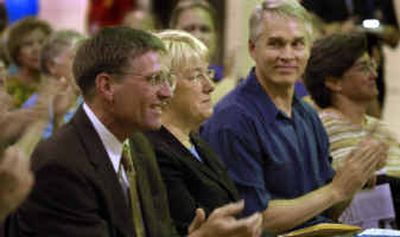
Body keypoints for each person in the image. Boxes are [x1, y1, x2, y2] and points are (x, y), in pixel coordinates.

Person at [8, 26, 262, 237]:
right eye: (154, 80)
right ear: (107, 86)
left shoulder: (138, 145)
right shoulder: (61, 164)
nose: (166, 92)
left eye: (167, 79)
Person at [201, 0, 387, 234]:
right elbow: (252, 222)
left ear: (309, 49)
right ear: (252, 48)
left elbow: (327, 210)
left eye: (297, 44)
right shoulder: (232, 119)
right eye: (276, 44)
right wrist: (336, 190)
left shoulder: (307, 115)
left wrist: (354, 177)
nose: (287, 55)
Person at [144, 30, 254, 235]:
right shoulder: (155, 151)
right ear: (165, 86)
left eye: (209, 73)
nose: (210, 86)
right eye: (196, 76)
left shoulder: (196, 140)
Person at [304, 32, 400, 227]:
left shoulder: (380, 128)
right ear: (333, 82)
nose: (374, 74)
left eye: (373, 65)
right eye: (363, 68)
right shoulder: (319, 127)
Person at [301, 0, 400, 117]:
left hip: (371, 69)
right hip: (331, 71)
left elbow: (394, 37)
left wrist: (377, 29)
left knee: (371, 124)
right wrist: (335, 29)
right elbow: (304, 23)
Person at [39, 30, 86, 138]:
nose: (85, 63)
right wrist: (58, 118)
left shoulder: (92, 98)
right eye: (75, 57)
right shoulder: (37, 107)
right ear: (51, 65)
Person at [4, 17, 52, 108]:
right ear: (17, 53)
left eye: (42, 42)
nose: (37, 49)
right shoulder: (6, 87)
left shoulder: (60, 85)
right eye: (28, 44)